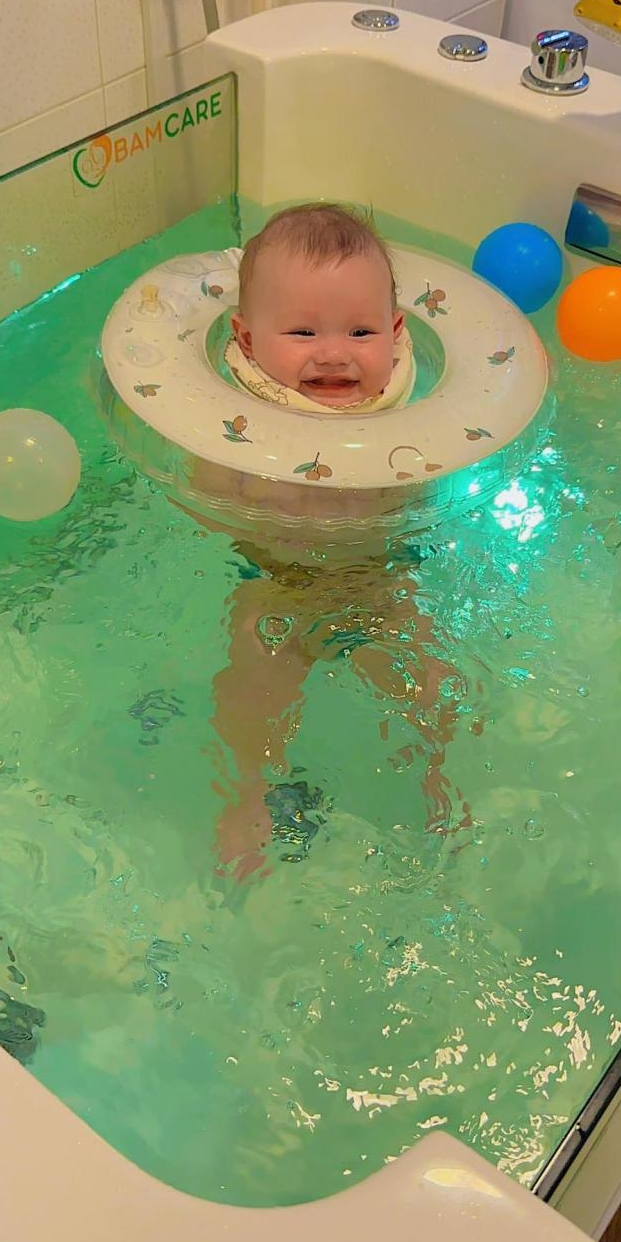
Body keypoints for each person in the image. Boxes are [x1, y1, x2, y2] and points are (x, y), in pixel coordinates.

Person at [209, 204, 473, 873]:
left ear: (396, 332)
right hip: (277, 580)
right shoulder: (232, 429)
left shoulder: (411, 418)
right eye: (302, 331)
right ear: (245, 339)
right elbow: (208, 505)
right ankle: (246, 794)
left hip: (380, 578)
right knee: (252, 680)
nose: (333, 353)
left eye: (360, 331)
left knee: (434, 684)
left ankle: (438, 776)